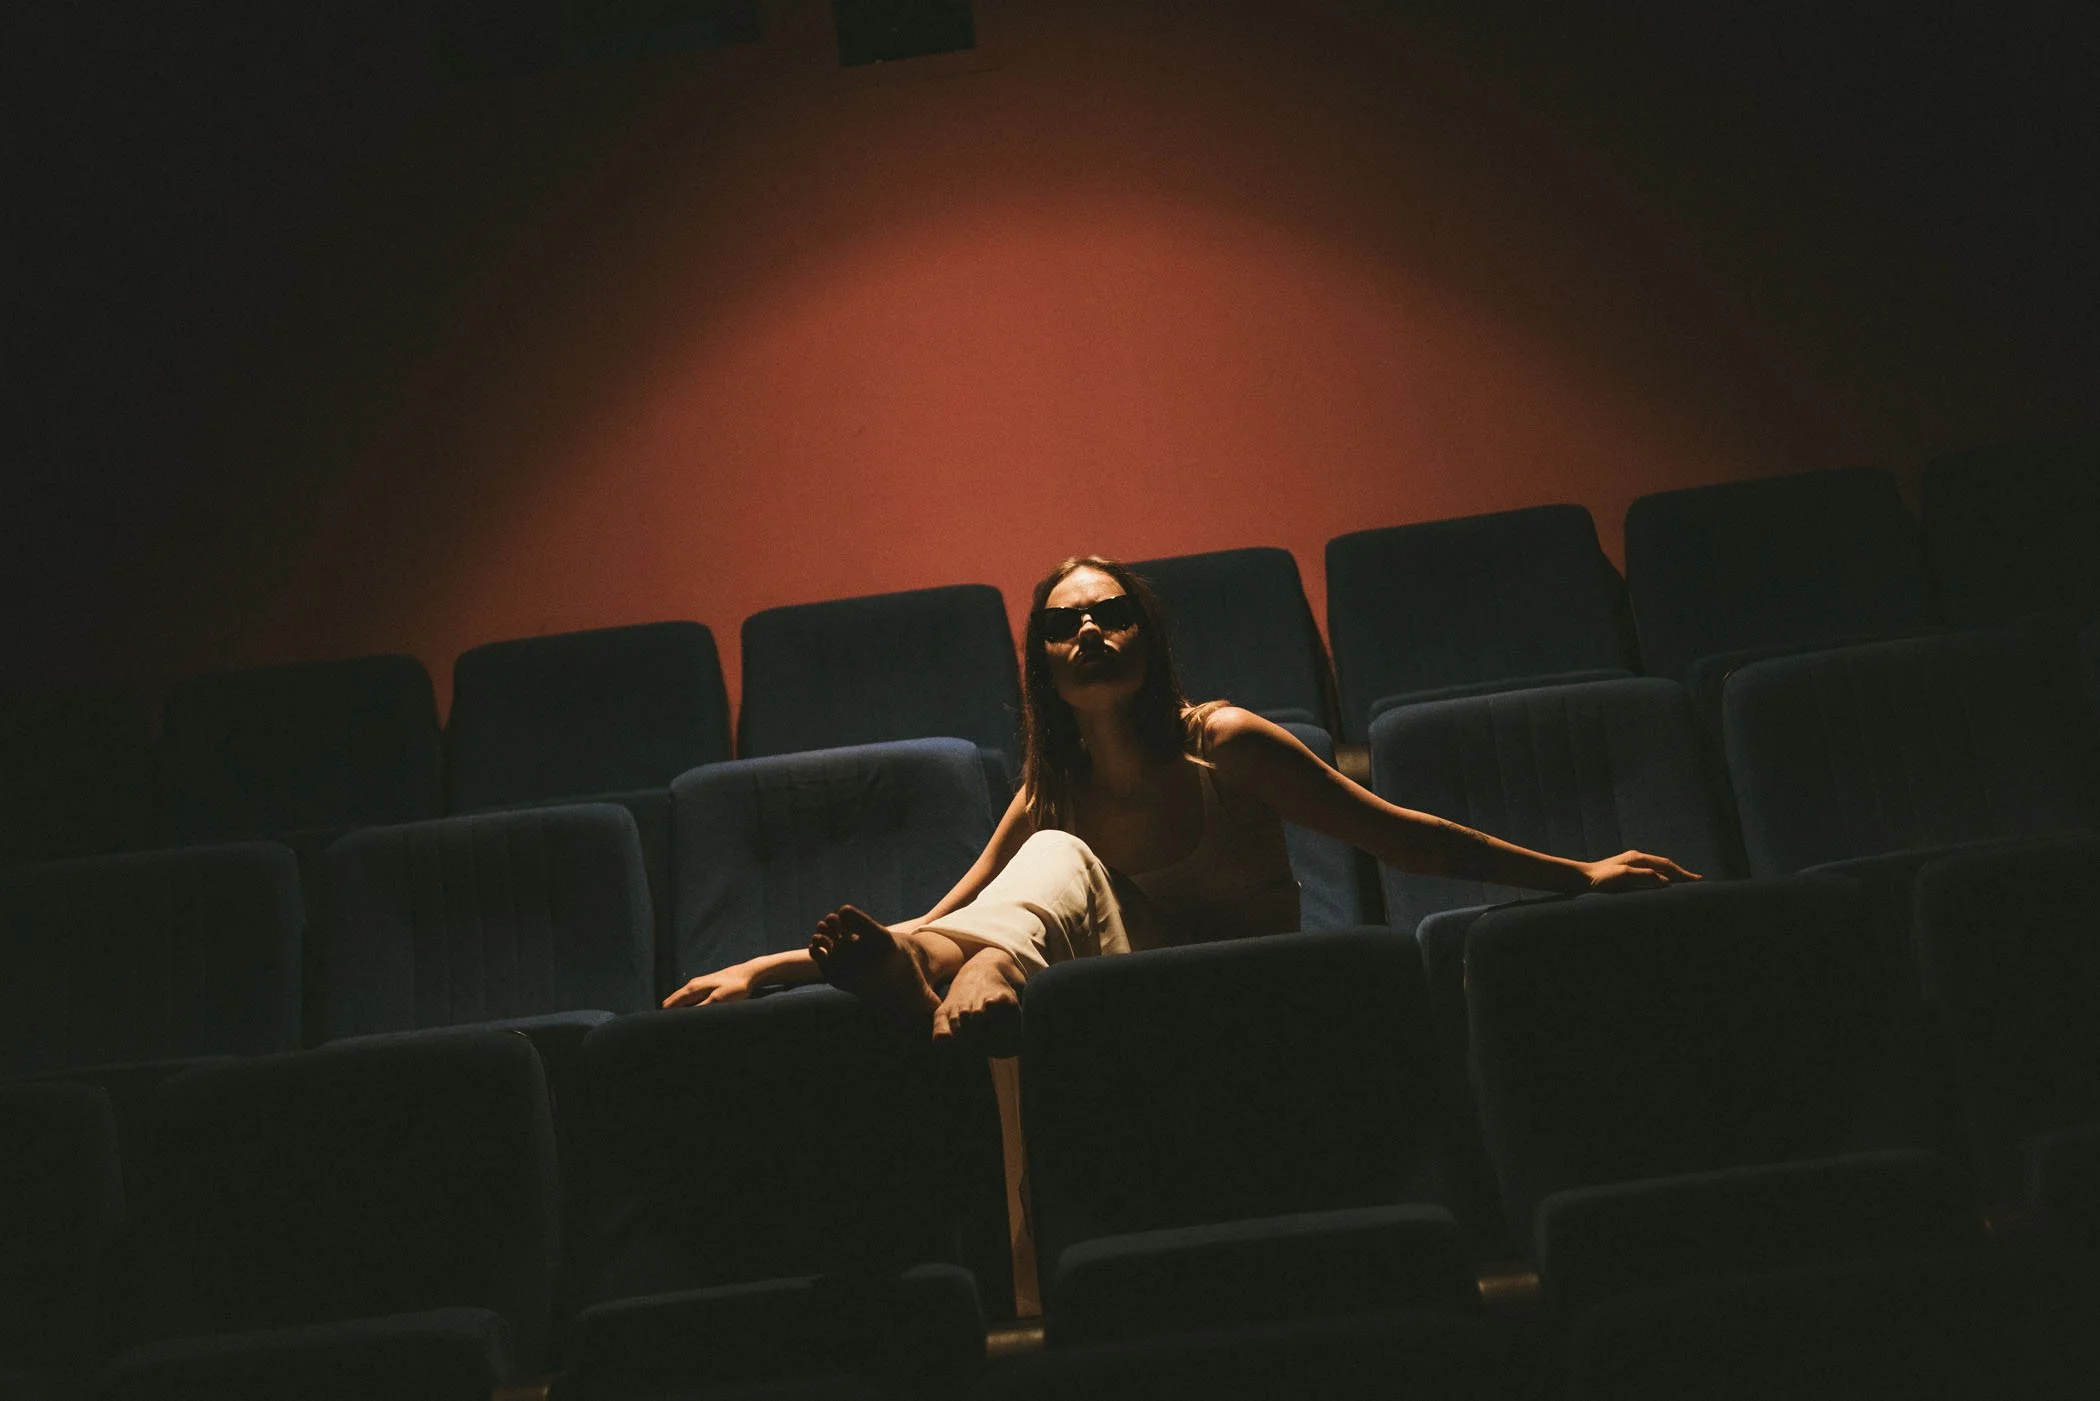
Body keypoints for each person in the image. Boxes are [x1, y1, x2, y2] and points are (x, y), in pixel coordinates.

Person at [664, 554, 1700, 1042]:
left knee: (1051, 872)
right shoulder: (1053, 783)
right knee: (1028, 881)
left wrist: (1581, 873)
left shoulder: (1226, 743)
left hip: (1239, 997)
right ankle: (951, 995)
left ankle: (962, 993)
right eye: (1065, 629)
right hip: (1107, 995)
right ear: (1044, 668)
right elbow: (948, 912)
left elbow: (1405, 839)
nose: (1089, 636)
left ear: (1148, 639)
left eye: (1111, 617)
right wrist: (771, 966)